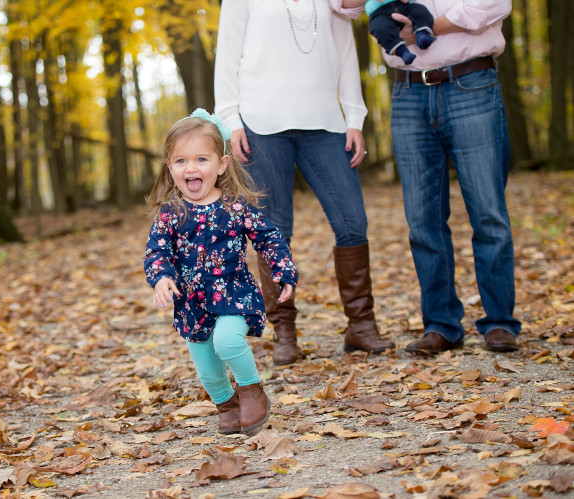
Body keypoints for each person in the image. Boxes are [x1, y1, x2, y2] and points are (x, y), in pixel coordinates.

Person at [214, 0, 395, 364]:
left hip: (326, 122)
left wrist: (355, 116)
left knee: (352, 222)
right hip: (260, 123)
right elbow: (228, 54)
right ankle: (284, 331)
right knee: (274, 230)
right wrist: (230, 119)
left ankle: (360, 325)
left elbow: (345, 50)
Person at [344, 0, 521, 353]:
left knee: (488, 212)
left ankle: (500, 322)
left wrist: (429, 28)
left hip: (471, 83)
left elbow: (496, 5)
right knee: (423, 219)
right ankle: (441, 325)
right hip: (408, 92)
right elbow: (346, 7)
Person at [144, 108, 298, 435]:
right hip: (192, 304)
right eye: (181, 161)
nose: (191, 168)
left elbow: (268, 236)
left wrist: (282, 269)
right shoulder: (170, 214)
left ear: (221, 164)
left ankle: (251, 390)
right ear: (170, 167)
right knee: (208, 371)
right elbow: (157, 250)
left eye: (201, 159)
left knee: (227, 342)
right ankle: (227, 404)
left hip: (234, 294)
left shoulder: (235, 207)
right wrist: (162, 277)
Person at [365, 0, 434, 64]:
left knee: (419, 10)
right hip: (379, 14)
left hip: (403, 6)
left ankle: (422, 34)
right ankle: (402, 51)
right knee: (379, 27)